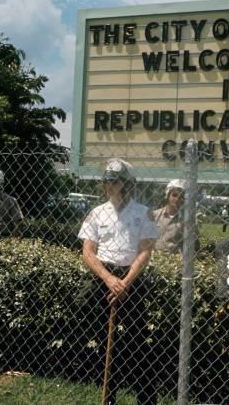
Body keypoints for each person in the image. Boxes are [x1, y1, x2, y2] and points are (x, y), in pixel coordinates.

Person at [78, 158, 158, 405]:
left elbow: (146, 251)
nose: (108, 185)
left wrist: (124, 282)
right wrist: (109, 279)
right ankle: (108, 397)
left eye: (114, 181)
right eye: (106, 181)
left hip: (131, 280)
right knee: (103, 344)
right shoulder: (96, 213)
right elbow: (88, 252)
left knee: (137, 342)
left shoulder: (145, 213)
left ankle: (145, 400)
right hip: (104, 278)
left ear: (129, 184)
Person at [152, 179, 198, 254]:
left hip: (174, 261)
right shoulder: (155, 215)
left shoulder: (188, 220)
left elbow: (195, 244)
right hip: (153, 258)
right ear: (167, 195)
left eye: (181, 196)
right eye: (174, 195)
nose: (177, 199)